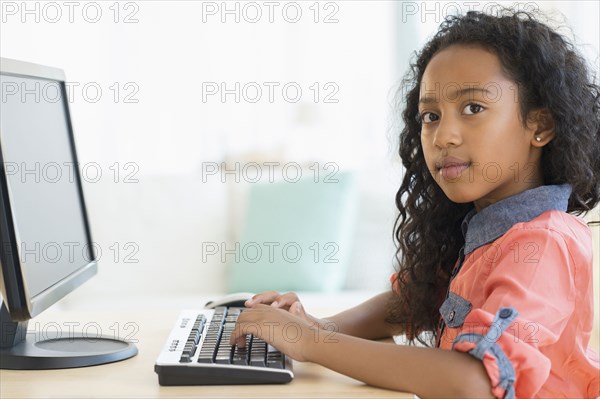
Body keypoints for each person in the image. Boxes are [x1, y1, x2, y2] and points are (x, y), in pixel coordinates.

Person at [230, 7, 600, 398]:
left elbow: (475, 382)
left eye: (473, 108)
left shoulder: (541, 244)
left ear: (539, 126)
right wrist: (316, 328)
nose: (443, 137)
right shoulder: (486, 229)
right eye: (431, 116)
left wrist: (312, 344)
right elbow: (412, 303)